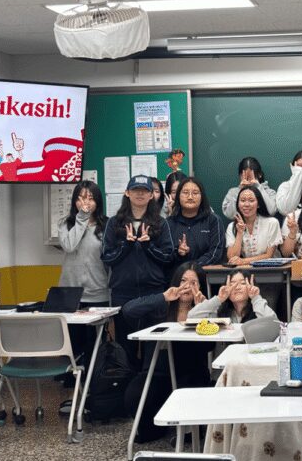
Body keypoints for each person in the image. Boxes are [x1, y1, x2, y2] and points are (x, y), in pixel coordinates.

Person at [120, 263, 209, 444]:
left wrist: (202, 311)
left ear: (200, 287)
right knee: (134, 394)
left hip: (190, 372)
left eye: (194, 282)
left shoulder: (205, 308)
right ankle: (152, 429)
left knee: (192, 390)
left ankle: (190, 430)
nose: (187, 286)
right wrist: (163, 297)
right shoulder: (162, 307)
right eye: (183, 281)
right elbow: (128, 311)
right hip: (158, 372)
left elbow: (208, 347)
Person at [101, 175, 176, 369]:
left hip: (154, 292)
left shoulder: (161, 223)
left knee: (153, 348)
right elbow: (107, 258)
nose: (140, 194)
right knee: (125, 347)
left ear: (152, 195)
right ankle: (129, 385)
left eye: (145, 191)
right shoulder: (114, 223)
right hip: (123, 293)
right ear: (127, 193)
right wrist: (125, 246)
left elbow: (168, 257)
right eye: (135, 190)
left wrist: (148, 246)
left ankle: (150, 385)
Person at [57, 180, 110, 367]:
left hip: (98, 293)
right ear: (74, 201)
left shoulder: (107, 225)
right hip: (70, 294)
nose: (85, 203)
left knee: (95, 345)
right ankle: (73, 379)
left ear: (98, 202)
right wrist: (82, 218)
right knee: (73, 343)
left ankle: (95, 379)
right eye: (80, 198)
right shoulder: (65, 224)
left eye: (90, 198)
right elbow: (70, 246)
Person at [166, 177, 224, 274]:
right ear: (178, 196)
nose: (190, 197)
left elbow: (215, 253)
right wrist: (178, 252)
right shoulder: (168, 223)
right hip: (176, 277)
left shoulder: (213, 220)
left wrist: (193, 267)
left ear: (202, 197)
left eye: (195, 193)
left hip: (206, 276)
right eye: (185, 192)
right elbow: (165, 255)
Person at [189, 270, 276, 322]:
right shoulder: (220, 312)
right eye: (232, 284)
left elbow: (274, 323)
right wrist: (219, 299)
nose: (237, 287)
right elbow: (192, 316)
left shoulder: (259, 309)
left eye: (243, 283)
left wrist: (256, 298)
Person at [225, 185, 282, 264]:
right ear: (238, 204)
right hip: (245, 270)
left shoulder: (272, 223)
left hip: (272, 269)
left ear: (258, 204)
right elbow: (232, 258)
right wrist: (239, 233)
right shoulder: (231, 227)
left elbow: (269, 255)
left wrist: (243, 261)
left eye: (251, 200)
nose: (246, 204)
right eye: (242, 200)